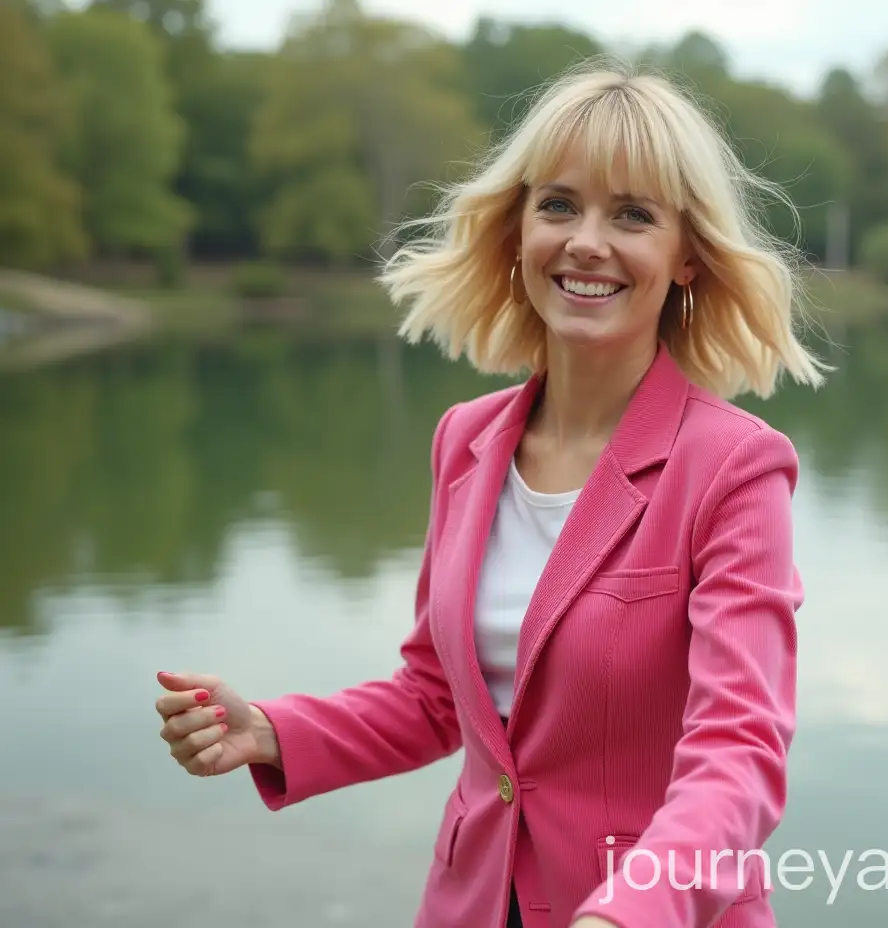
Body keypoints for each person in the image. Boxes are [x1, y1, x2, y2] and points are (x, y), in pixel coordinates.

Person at [154, 58, 828, 928]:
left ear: (688, 256)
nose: (587, 241)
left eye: (632, 215)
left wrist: (626, 912)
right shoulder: (463, 442)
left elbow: (739, 752)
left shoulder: (736, 468)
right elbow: (438, 697)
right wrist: (271, 732)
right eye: (560, 205)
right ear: (517, 231)